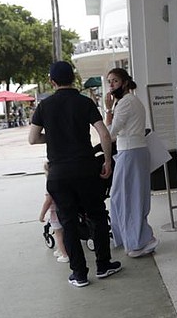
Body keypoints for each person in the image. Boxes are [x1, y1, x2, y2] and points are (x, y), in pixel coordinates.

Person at [29, 61, 122, 288]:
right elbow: (103, 133)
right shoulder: (85, 102)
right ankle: (103, 265)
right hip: (86, 169)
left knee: (68, 221)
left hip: (58, 173)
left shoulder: (44, 106)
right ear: (74, 79)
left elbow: (33, 138)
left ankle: (79, 274)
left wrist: (53, 137)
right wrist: (108, 160)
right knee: (97, 215)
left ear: (52, 81)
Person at [104, 67, 158, 258]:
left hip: (131, 152)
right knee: (124, 196)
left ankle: (140, 240)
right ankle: (134, 238)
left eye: (115, 81)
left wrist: (108, 109)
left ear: (125, 82)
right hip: (132, 152)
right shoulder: (128, 101)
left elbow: (109, 132)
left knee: (127, 197)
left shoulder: (126, 103)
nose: (111, 85)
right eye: (109, 81)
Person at [39, 163, 69, 263]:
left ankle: (64, 255)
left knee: (58, 234)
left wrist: (42, 214)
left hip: (55, 213)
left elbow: (48, 201)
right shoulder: (63, 181)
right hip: (65, 210)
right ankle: (61, 250)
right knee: (64, 232)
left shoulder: (50, 184)